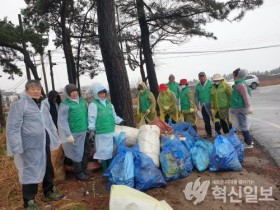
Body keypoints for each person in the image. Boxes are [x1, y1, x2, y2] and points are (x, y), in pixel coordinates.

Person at [6, 80, 64, 210]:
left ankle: (49, 191)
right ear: (26, 90)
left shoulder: (43, 104)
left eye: (38, 89)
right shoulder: (20, 105)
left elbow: (48, 122)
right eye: (32, 89)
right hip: (29, 145)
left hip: (44, 141)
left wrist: (54, 136)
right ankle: (29, 200)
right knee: (30, 169)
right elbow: (13, 127)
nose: (36, 91)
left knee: (48, 166)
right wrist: (16, 146)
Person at [88, 83, 124, 171]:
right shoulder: (93, 105)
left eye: (104, 93)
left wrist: (120, 121)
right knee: (102, 152)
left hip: (111, 131)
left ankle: (111, 170)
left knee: (111, 151)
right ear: (96, 94)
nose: (102, 95)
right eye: (100, 93)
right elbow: (91, 117)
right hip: (101, 133)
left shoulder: (109, 104)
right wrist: (91, 129)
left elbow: (114, 116)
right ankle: (105, 170)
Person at [58, 84, 90, 181]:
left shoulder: (83, 101)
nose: (74, 93)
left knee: (86, 151)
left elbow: (88, 114)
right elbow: (62, 121)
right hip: (74, 134)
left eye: (76, 91)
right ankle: (79, 172)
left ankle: (84, 168)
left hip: (85, 131)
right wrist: (68, 135)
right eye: (72, 92)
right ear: (68, 94)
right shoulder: (65, 105)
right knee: (76, 154)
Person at [230, 68, 254, 149]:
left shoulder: (241, 85)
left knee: (243, 126)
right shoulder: (239, 84)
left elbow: (246, 97)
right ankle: (249, 140)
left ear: (237, 75)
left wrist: (248, 107)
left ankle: (248, 143)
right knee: (243, 125)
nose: (233, 77)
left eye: (233, 75)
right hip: (239, 109)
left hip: (241, 109)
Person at [195, 72, 213, 138]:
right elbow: (196, 96)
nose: (202, 77)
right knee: (206, 120)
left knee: (215, 120)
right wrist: (197, 104)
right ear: (199, 78)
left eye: (203, 76)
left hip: (211, 105)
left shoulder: (211, 84)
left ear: (205, 76)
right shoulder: (198, 86)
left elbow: (214, 93)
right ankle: (209, 133)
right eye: (200, 76)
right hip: (203, 106)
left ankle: (218, 133)